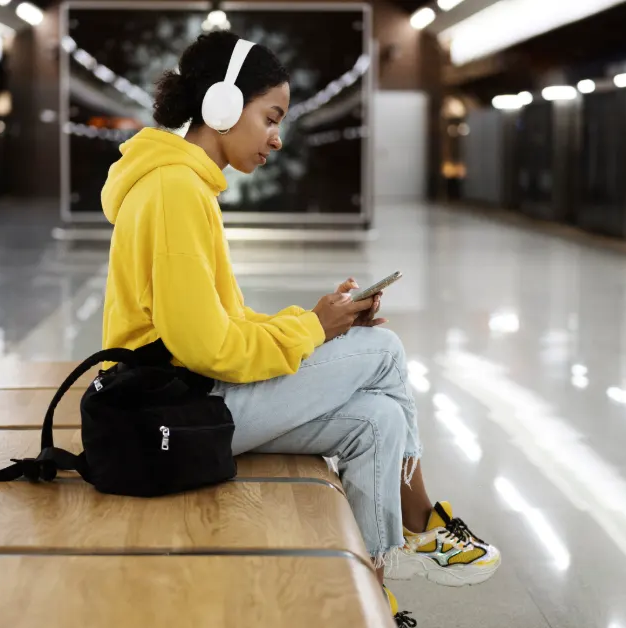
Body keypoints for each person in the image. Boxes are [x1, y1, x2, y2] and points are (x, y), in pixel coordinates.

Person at [99, 30, 500, 622]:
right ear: (223, 106)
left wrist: (316, 321)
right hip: (177, 411)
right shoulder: (175, 189)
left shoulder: (183, 185)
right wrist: (313, 329)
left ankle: (373, 593)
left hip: (185, 400)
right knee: (384, 348)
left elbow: (221, 322)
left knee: (379, 419)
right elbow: (205, 346)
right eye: (271, 117)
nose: (277, 138)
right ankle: (421, 522)